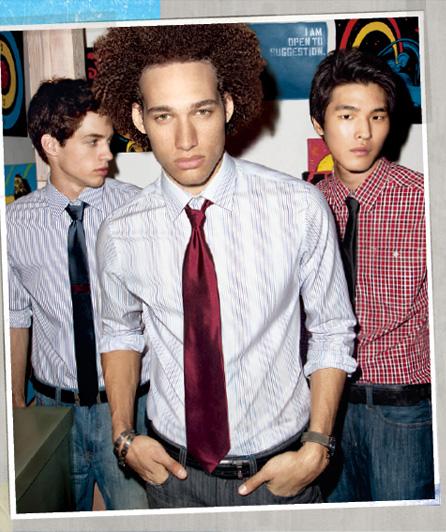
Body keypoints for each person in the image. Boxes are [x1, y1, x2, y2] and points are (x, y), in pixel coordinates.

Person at [93, 23, 357, 509]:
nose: (186, 139)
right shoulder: (120, 231)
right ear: (138, 118)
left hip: (282, 475)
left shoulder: (298, 207)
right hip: (170, 477)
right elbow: (119, 333)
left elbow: (332, 329)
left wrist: (317, 448)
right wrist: (123, 434)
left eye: (202, 111)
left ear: (228, 106)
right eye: (164, 116)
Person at [7, 78, 150, 511]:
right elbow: (16, 316)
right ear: (51, 145)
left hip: (133, 408)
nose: (109, 154)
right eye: (92, 142)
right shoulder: (14, 225)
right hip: (53, 411)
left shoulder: (139, 209)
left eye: (108, 140)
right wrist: (17, 403)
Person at [310, 48, 434, 501]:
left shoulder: (424, 198)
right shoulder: (305, 205)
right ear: (319, 123)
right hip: (324, 410)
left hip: (403, 410)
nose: (363, 132)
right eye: (347, 116)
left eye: (377, 117)